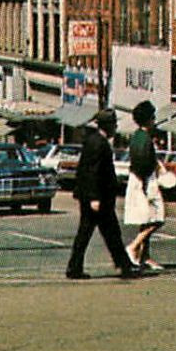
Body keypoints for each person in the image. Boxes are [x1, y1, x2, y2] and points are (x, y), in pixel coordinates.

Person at [64, 109, 137, 280]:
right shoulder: (98, 143)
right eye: (114, 124)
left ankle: (123, 265)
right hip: (97, 197)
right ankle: (121, 265)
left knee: (106, 232)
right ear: (108, 125)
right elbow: (92, 172)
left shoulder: (95, 141)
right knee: (96, 233)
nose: (116, 127)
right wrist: (94, 197)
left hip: (96, 196)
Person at [122, 101, 167, 271]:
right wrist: (146, 183)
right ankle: (134, 246)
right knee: (157, 218)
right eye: (153, 117)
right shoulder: (145, 139)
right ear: (149, 119)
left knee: (146, 219)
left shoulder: (137, 136)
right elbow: (142, 162)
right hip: (145, 181)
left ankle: (144, 256)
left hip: (141, 179)